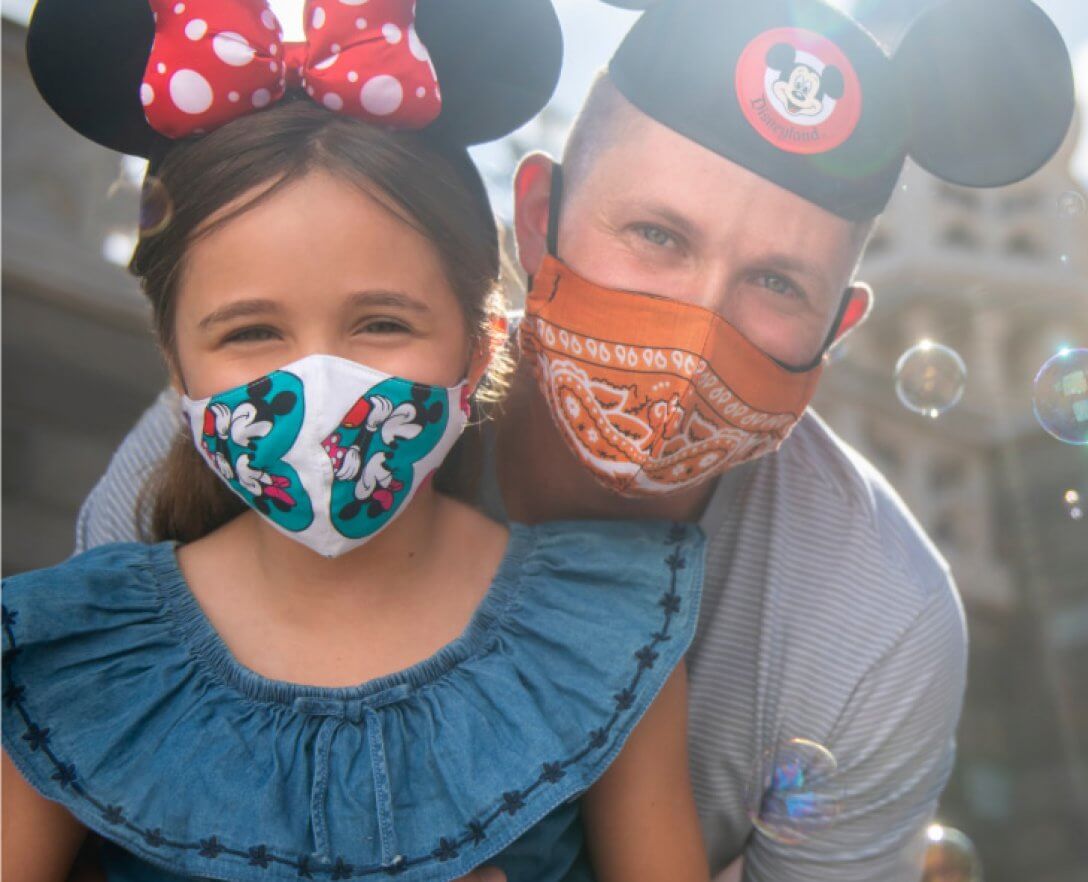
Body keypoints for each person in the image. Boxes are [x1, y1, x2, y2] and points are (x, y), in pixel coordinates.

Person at [70, 0, 1077, 879]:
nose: (696, 329)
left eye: (777, 283)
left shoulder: (876, 624)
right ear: (539, 217)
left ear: (836, 331)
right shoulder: (282, 435)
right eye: (657, 237)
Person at [2, 2, 715, 881]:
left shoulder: (601, 633)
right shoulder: (70, 656)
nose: (321, 389)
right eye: (252, 333)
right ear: (176, 365)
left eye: (380, 322)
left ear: (482, 340)